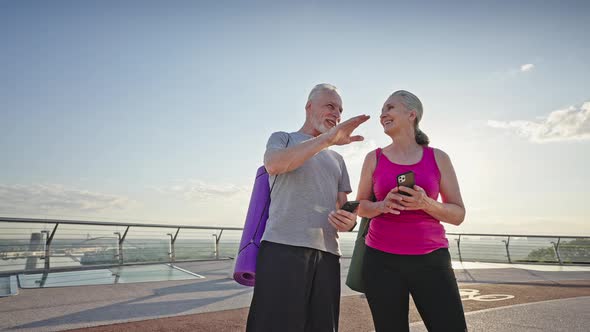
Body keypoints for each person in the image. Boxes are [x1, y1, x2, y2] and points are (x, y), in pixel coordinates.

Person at [246, 83, 370, 332]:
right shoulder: (283, 138)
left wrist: (350, 222)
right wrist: (327, 140)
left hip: (327, 255)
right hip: (283, 248)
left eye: (340, 110)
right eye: (330, 106)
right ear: (309, 107)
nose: (337, 114)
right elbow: (275, 164)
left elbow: (343, 207)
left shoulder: (338, 159)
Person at [356, 90, 467, 332]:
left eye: (390, 108)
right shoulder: (373, 158)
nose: (383, 114)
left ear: (411, 114)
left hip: (431, 260)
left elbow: (458, 214)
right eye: (382, 110)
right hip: (380, 261)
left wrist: (425, 203)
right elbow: (360, 207)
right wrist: (382, 205)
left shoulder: (438, 157)